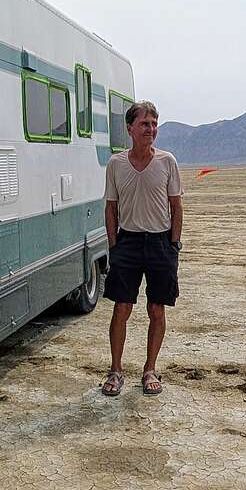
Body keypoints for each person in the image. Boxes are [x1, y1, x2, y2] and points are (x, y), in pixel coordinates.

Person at [100, 101, 183, 397]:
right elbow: (110, 208)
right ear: (130, 128)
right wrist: (114, 246)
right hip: (128, 243)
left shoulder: (167, 162)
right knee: (122, 307)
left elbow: (176, 206)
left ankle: (150, 370)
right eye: (145, 123)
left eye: (154, 123)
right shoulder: (116, 164)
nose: (151, 129)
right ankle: (116, 370)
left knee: (156, 308)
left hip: (160, 243)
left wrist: (173, 245)